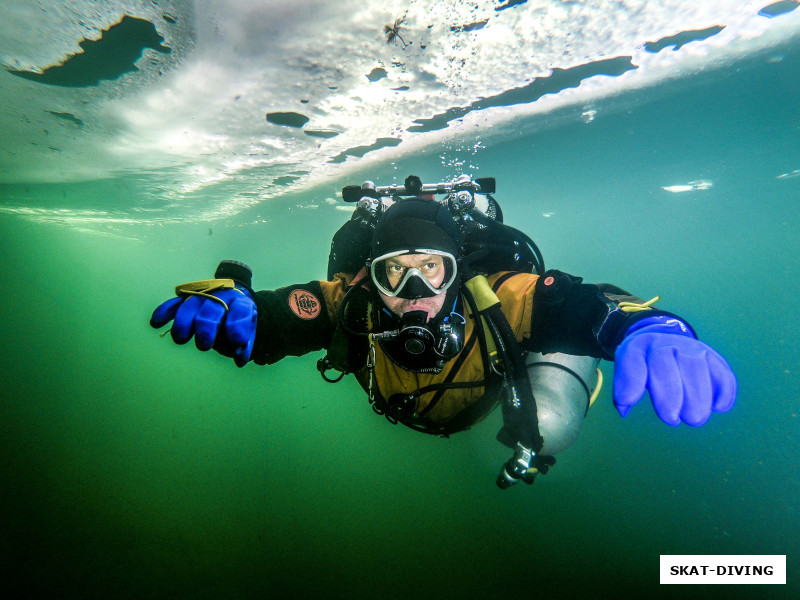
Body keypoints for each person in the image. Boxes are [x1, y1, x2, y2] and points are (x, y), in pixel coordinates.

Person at [150, 175, 736, 488]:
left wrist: (650, 328)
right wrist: (245, 311)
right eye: (393, 273)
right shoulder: (353, 306)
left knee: (548, 428)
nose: (413, 294)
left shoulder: (500, 297)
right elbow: (285, 316)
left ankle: (547, 410)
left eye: (432, 269)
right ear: (370, 277)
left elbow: (589, 304)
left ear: (458, 273)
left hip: (502, 393)